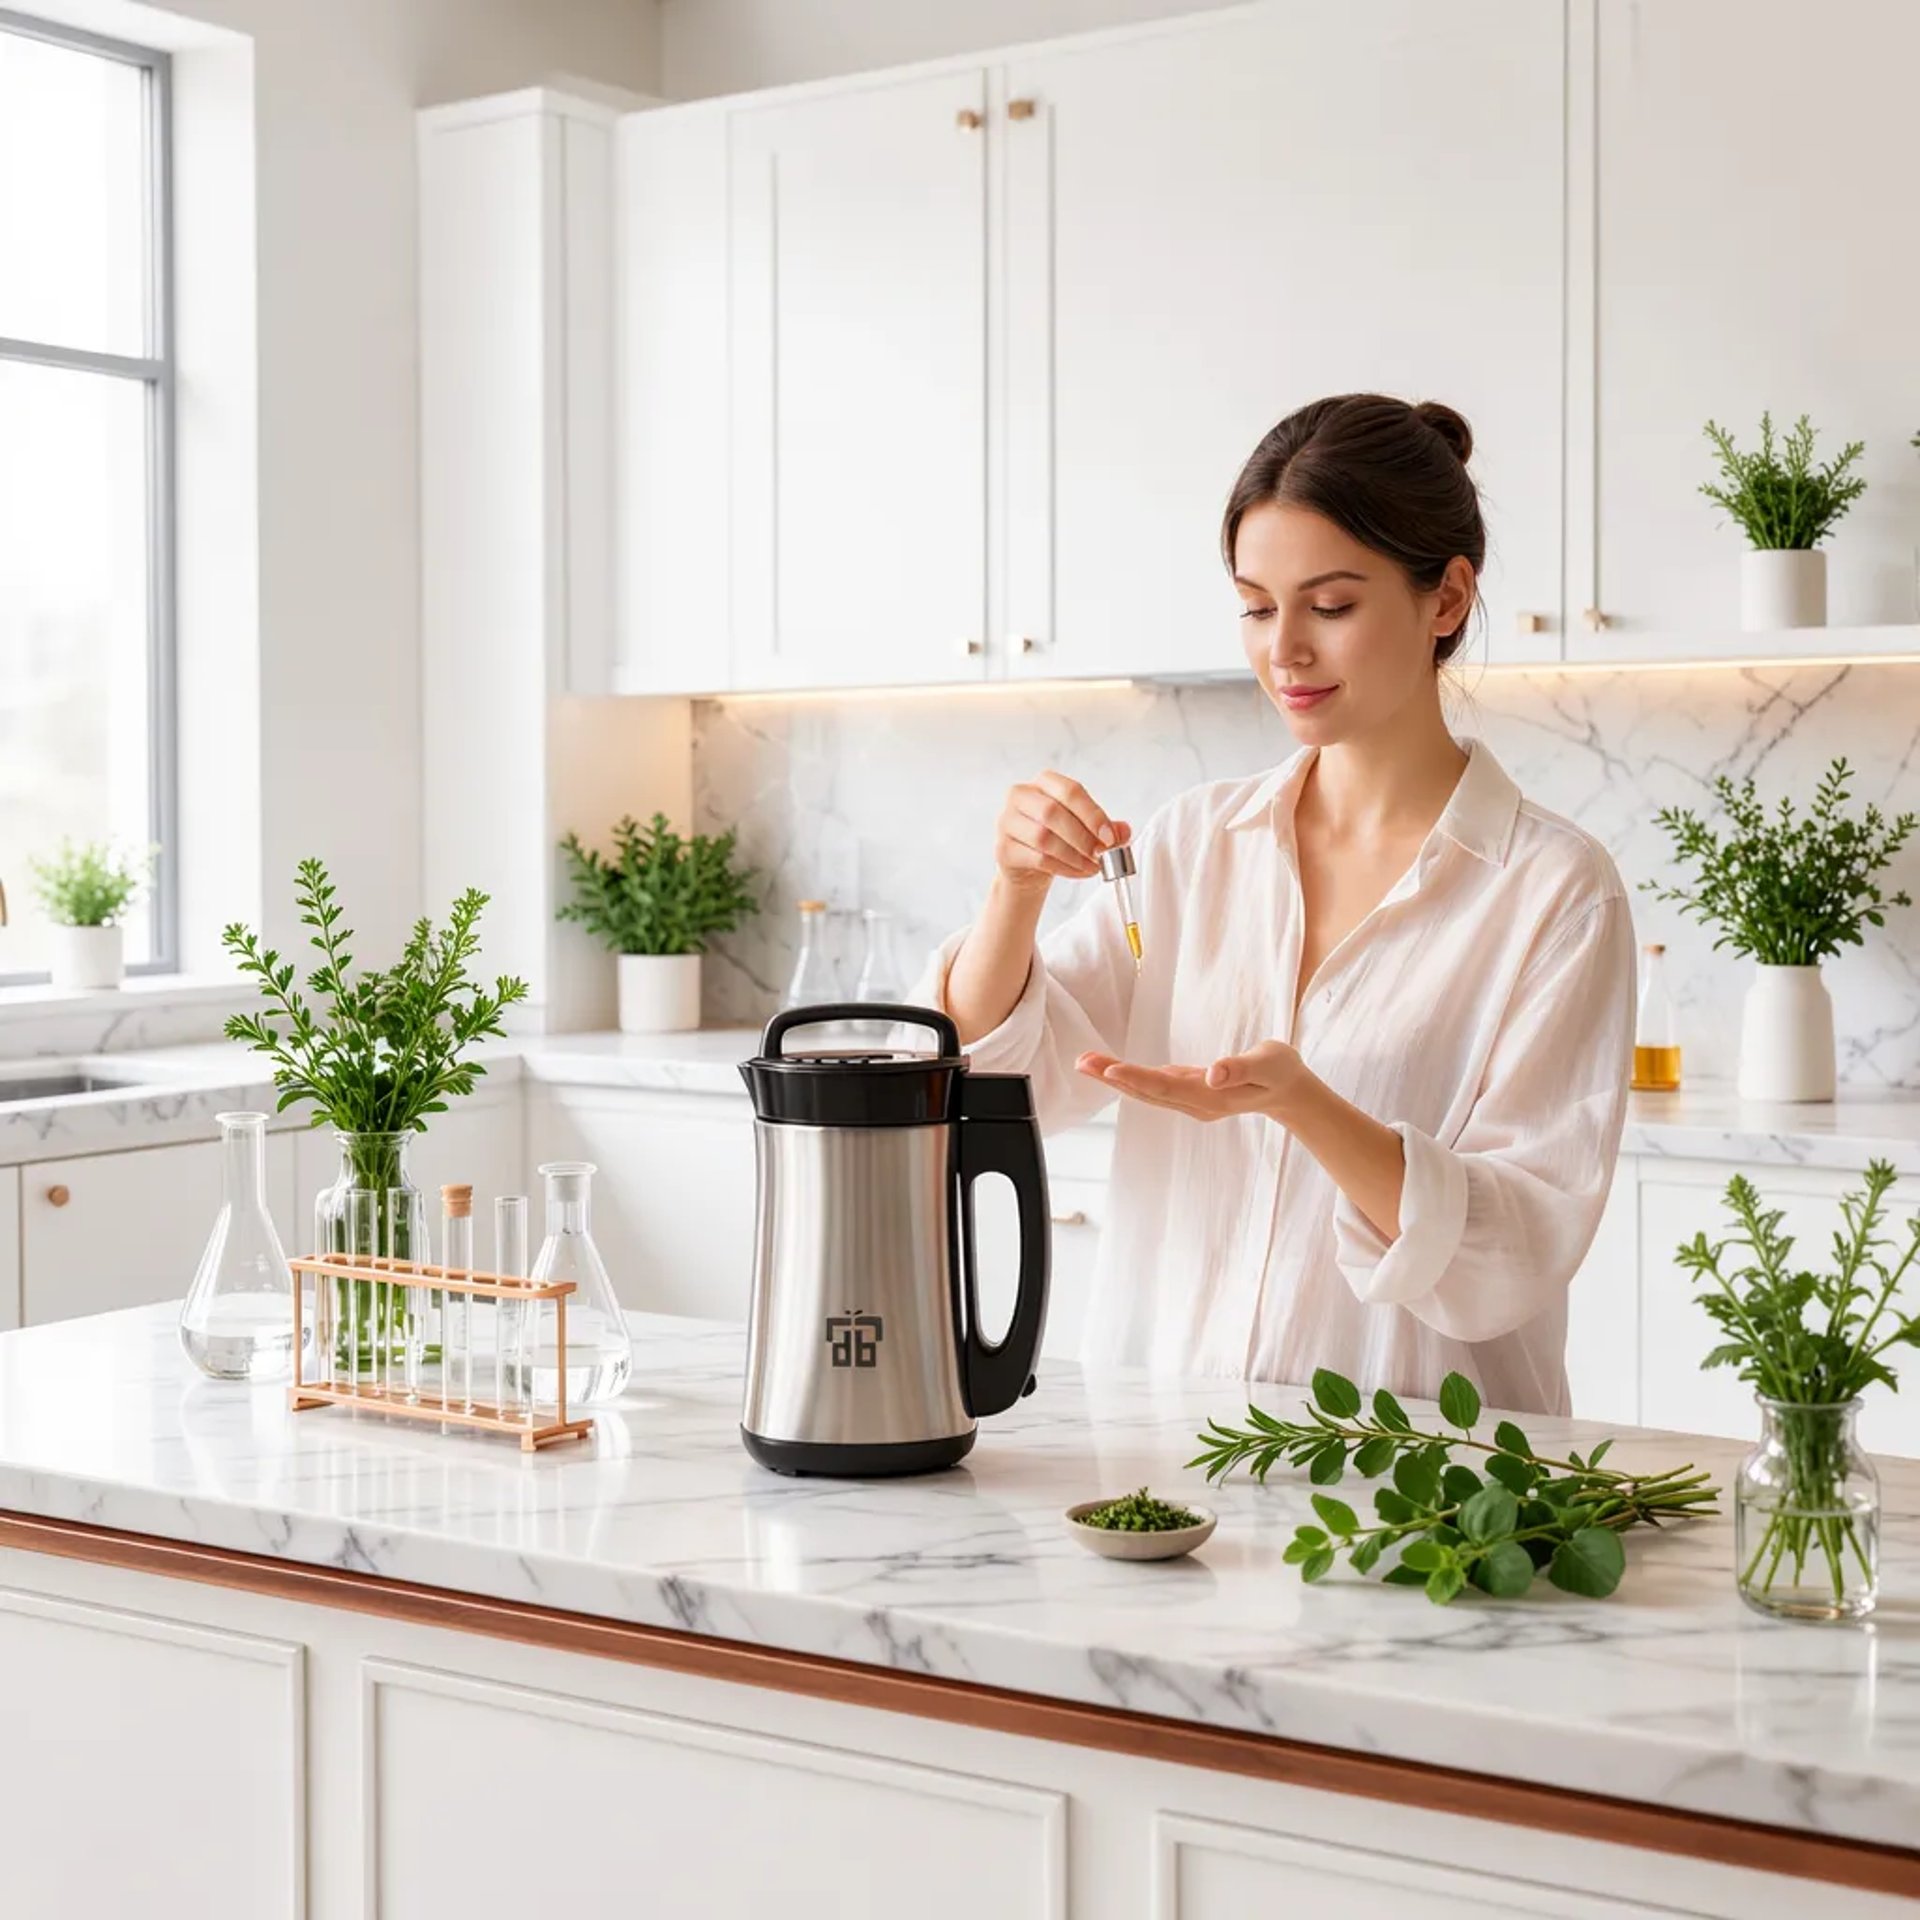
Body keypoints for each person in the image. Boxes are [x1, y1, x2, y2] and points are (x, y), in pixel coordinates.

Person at [916, 393, 1633, 1415]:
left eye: (1331, 606)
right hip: (1167, 1453)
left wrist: (1303, 1104)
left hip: (1423, 1483)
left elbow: (1511, 1252)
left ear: (1447, 598)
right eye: (1257, 606)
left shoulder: (1553, 893)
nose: (1283, 649)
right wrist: (1014, 892)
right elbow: (1001, 1086)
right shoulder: (1191, 847)